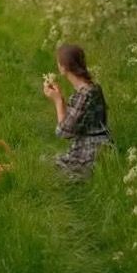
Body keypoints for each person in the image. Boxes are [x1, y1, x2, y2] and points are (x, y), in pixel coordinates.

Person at [43, 43, 112, 180]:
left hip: (89, 155)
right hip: (95, 149)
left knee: (43, 168)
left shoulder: (85, 95)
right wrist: (61, 100)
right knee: (44, 162)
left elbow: (63, 132)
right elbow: (72, 125)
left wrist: (57, 101)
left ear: (64, 67)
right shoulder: (92, 88)